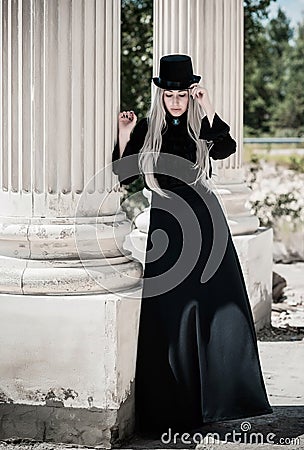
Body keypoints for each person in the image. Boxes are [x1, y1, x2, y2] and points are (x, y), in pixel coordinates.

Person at [112, 54, 273, 437]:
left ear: (190, 95)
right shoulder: (149, 129)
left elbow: (226, 148)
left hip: (206, 221)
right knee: (168, 310)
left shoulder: (202, 127)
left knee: (218, 307)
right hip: (168, 223)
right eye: (171, 94)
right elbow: (122, 171)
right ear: (161, 95)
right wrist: (123, 134)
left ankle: (222, 400)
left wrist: (208, 106)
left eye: (183, 94)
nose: (177, 101)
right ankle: (172, 408)